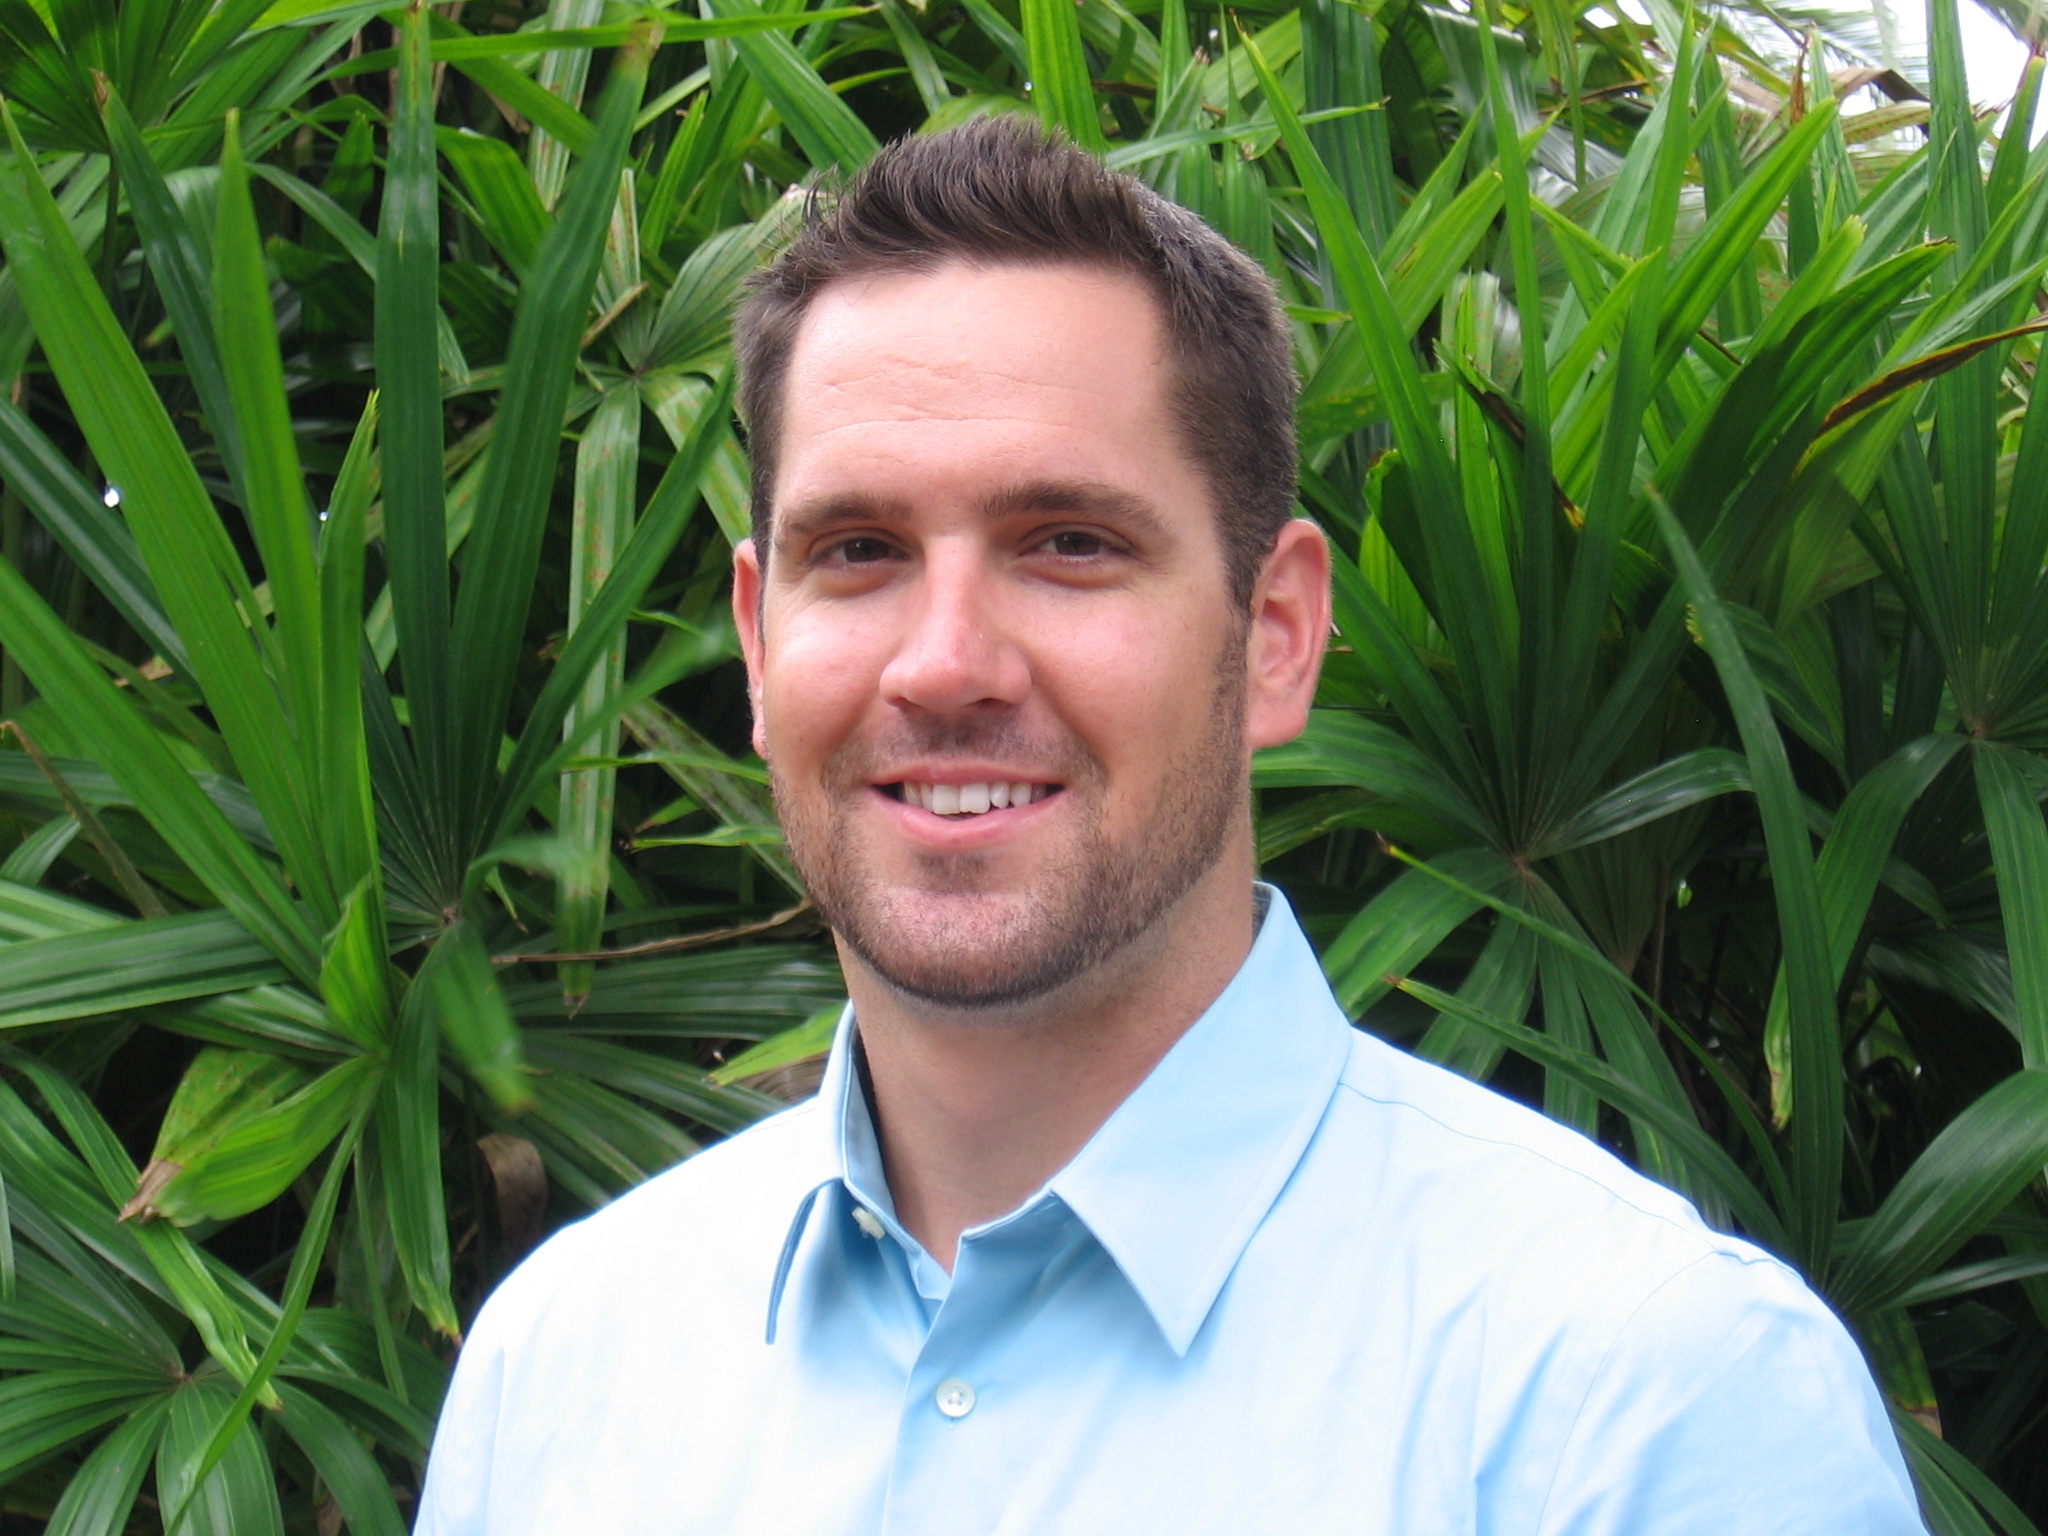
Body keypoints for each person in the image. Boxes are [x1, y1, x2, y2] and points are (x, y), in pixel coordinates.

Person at [414, 117, 1927, 1535]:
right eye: (859, 549)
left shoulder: (1649, 1403)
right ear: (758, 642)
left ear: (1275, 633)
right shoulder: (555, 1378)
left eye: (1068, 543)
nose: (943, 663)